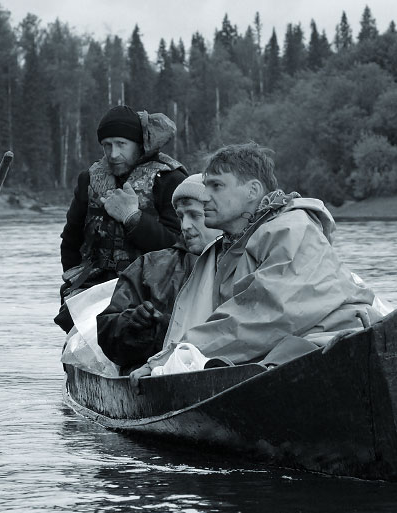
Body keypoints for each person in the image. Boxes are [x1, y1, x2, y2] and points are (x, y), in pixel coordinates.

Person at [133, 143, 379, 379]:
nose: (205, 197)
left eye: (216, 186)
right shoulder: (232, 245)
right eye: (206, 186)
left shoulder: (290, 228)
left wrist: (173, 358)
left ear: (252, 190)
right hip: (286, 351)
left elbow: (270, 312)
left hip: (335, 343)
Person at [56, 104, 187, 331]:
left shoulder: (170, 179)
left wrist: (132, 217)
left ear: (139, 144)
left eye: (121, 144)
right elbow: (70, 242)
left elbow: (178, 245)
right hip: (96, 288)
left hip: (151, 290)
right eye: (107, 145)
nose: (113, 154)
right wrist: (73, 285)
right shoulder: (89, 180)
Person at [95, 174, 222, 373]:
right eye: (180, 216)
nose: (185, 226)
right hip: (154, 375)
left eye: (195, 215)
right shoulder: (148, 265)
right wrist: (134, 325)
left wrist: (166, 326)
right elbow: (107, 334)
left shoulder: (245, 261)